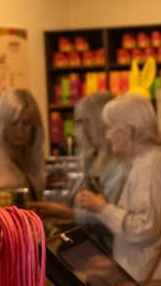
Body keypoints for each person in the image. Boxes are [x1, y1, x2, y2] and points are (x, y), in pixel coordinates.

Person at [76, 94, 161, 286]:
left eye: (111, 127)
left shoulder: (150, 166)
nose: (107, 135)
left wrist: (102, 208)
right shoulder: (153, 161)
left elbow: (145, 227)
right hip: (155, 276)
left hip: (154, 280)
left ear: (128, 131)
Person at [31, 92, 129, 248]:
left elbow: (115, 219)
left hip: (110, 252)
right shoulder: (90, 158)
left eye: (88, 121)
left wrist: (69, 214)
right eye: (79, 122)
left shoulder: (119, 166)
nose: (83, 129)